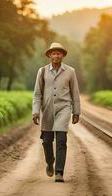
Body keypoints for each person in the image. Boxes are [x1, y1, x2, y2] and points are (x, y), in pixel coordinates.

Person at [32, 42, 81, 182]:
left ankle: (59, 171)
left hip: (64, 109)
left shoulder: (70, 72)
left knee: (61, 139)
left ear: (63, 56)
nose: (56, 55)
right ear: (49, 56)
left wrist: (76, 112)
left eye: (59, 53)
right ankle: (49, 161)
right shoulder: (42, 72)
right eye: (53, 53)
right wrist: (35, 112)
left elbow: (75, 93)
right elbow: (37, 94)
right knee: (47, 141)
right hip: (47, 110)